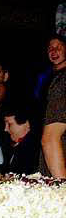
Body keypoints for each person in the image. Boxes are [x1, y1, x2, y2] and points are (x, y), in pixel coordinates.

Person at [39, 33, 66, 179]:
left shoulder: (62, 81)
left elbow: (50, 138)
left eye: (59, 47)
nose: (53, 51)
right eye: (50, 48)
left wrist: (61, 185)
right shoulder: (47, 79)